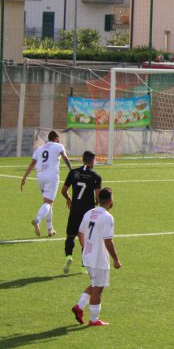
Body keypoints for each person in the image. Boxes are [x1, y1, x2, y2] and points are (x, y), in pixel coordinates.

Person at [71, 187, 121, 326]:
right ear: (111, 200)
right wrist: (116, 259)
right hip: (99, 258)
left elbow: (80, 232)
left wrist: (85, 247)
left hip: (88, 255)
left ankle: (79, 306)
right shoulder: (107, 217)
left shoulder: (89, 213)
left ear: (99, 199)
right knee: (98, 288)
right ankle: (94, 320)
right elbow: (108, 240)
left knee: (94, 283)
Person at [20, 131, 73, 237]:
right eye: (58, 138)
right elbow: (65, 157)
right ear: (56, 138)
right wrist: (72, 170)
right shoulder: (58, 146)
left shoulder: (40, 148)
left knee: (48, 202)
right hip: (52, 176)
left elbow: (32, 163)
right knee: (48, 203)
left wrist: (24, 177)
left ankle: (50, 229)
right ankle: (37, 220)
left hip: (40, 176)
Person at [61, 151, 103, 274]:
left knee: (70, 235)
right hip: (88, 212)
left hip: (75, 209)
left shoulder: (73, 173)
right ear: (91, 161)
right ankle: (84, 266)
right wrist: (97, 203)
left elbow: (63, 191)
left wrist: (69, 199)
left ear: (83, 160)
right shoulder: (95, 176)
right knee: (86, 238)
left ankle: (68, 256)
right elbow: (98, 196)